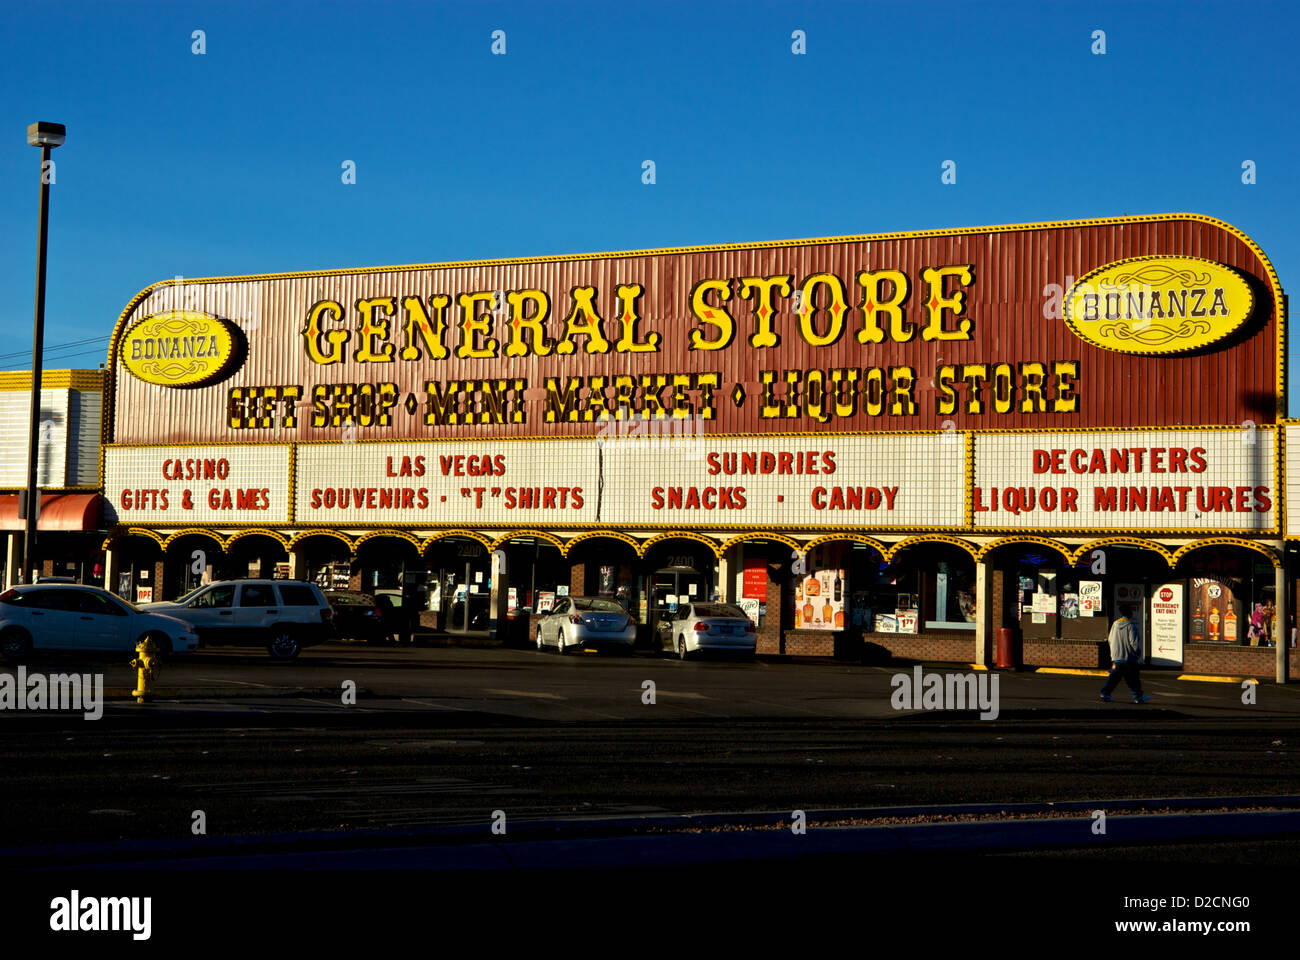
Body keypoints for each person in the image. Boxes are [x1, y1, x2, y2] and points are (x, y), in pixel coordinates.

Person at [1100, 603, 1150, 703]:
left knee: (1114, 677)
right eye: (1131, 611)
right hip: (1129, 658)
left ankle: (1105, 693)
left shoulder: (1115, 624)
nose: (1132, 613)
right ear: (1128, 612)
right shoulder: (1131, 626)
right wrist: (1138, 654)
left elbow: (1110, 639)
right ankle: (1138, 697)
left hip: (1116, 657)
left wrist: (1113, 654)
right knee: (1133, 679)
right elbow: (1134, 643)